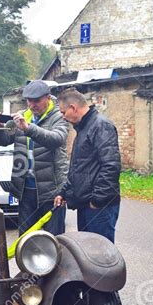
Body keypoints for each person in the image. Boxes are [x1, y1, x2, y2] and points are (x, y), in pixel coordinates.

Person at [0, 80, 69, 236]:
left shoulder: (59, 116)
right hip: (25, 190)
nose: (32, 105)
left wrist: (28, 128)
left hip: (51, 191)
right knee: (26, 240)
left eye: (37, 101)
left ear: (47, 97)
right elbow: (5, 140)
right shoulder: (24, 116)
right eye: (29, 101)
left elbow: (56, 139)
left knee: (54, 240)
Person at [54, 88, 121, 243]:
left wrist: (97, 201)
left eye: (64, 113)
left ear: (73, 108)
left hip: (99, 207)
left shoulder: (101, 126)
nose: (63, 118)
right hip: (86, 205)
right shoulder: (84, 128)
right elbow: (79, 168)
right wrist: (64, 192)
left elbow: (111, 166)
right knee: (87, 254)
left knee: (101, 256)